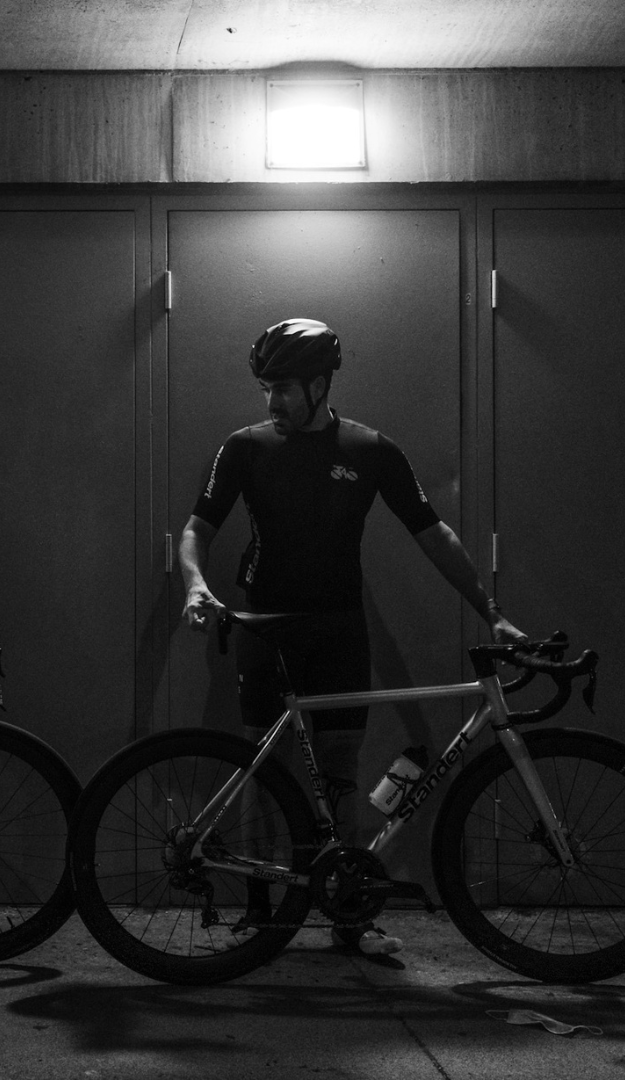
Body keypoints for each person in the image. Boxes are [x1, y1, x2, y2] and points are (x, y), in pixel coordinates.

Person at [179, 318, 526, 957]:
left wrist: (491, 611)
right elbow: (197, 527)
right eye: (265, 388)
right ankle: (262, 913)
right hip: (265, 626)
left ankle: (346, 914)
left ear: (319, 384)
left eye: (283, 388)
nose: (272, 401)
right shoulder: (245, 447)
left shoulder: (370, 451)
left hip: (339, 627)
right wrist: (197, 584)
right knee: (268, 768)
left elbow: (432, 533)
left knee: (338, 770)